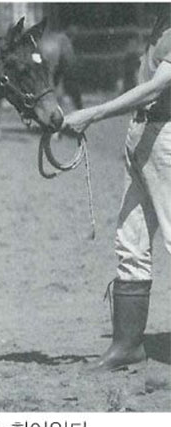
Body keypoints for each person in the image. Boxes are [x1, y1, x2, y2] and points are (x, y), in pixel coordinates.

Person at [63, 12, 171, 372]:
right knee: (131, 239)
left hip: (166, 138)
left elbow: (157, 87)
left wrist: (93, 113)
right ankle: (127, 345)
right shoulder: (160, 27)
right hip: (142, 135)